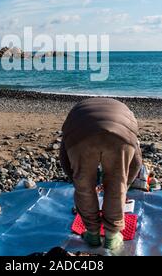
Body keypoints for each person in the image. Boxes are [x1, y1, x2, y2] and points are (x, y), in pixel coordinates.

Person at [60, 98, 142, 251]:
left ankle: (92, 234)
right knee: (117, 186)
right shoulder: (125, 111)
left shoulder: (76, 113)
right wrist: (126, 184)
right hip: (121, 133)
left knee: (84, 188)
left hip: (80, 133)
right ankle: (112, 236)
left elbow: (64, 158)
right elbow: (137, 162)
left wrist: (77, 181)